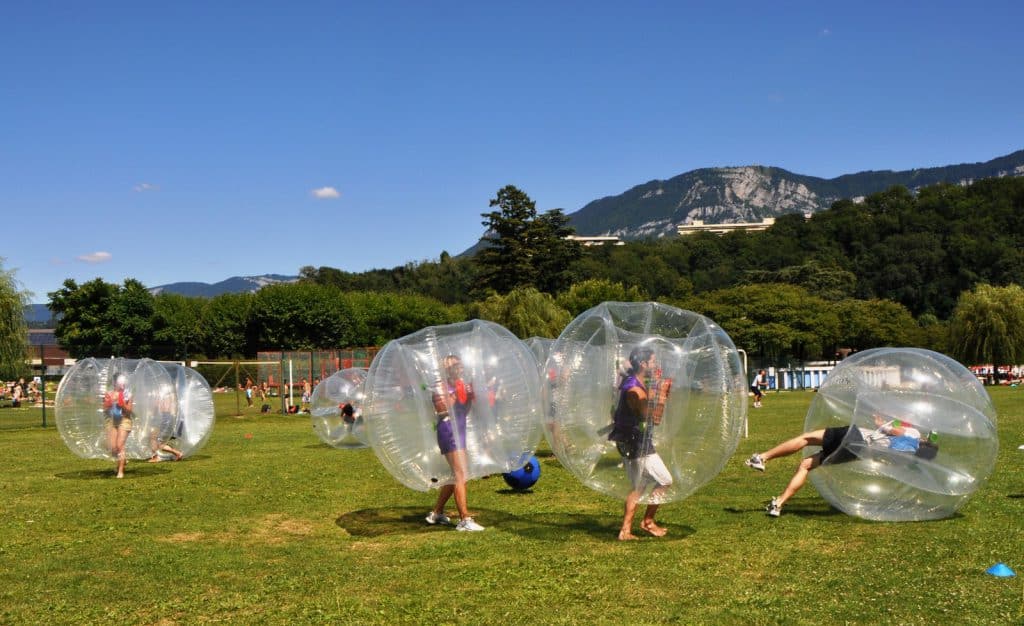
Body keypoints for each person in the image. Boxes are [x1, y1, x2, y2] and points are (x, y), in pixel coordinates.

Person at [745, 414, 934, 517]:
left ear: (924, 442)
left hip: (856, 436)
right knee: (806, 465)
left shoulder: (914, 435)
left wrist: (882, 424)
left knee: (805, 438)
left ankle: (762, 458)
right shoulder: (906, 458)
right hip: (855, 453)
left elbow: (893, 430)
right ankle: (777, 504)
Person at [607, 346, 674, 540]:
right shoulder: (636, 390)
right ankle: (647, 522)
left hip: (633, 441)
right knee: (665, 480)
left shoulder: (633, 382)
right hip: (637, 443)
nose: (655, 364)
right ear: (643, 364)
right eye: (653, 361)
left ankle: (626, 530)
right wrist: (661, 396)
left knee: (639, 486)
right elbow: (652, 418)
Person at [425, 353, 485, 532]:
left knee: (457, 474)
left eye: (459, 365)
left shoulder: (461, 385)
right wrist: (456, 393)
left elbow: (463, 411)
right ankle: (464, 519)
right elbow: (442, 410)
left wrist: (468, 396)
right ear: (446, 370)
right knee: (460, 474)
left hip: (460, 431)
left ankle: (436, 513)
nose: (458, 368)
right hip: (448, 431)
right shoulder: (440, 387)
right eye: (453, 366)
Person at [103, 374, 134, 478]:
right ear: (115, 383)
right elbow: (104, 410)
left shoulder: (127, 394)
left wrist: (123, 405)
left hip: (124, 420)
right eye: (121, 381)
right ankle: (123, 459)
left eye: (124, 381)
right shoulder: (109, 394)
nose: (123, 383)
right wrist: (108, 404)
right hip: (112, 421)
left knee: (120, 445)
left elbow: (129, 411)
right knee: (113, 448)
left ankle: (120, 471)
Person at [149, 388, 183, 462]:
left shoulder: (160, 394)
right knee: (156, 439)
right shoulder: (171, 394)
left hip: (163, 417)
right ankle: (155, 456)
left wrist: (152, 414)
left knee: (157, 441)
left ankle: (177, 453)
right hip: (168, 417)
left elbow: (156, 405)